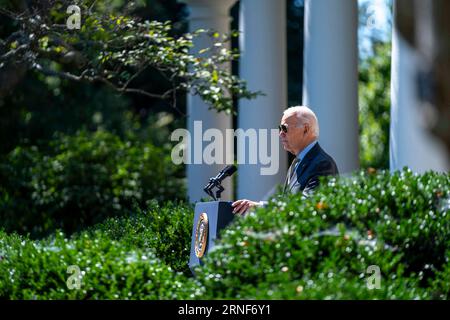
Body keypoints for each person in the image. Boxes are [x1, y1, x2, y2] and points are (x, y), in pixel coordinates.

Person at [232, 106, 339, 215]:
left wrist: (260, 207)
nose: (280, 133)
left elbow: (308, 205)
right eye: (280, 128)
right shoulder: (298, 162)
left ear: (305, 129)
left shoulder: (322, 164)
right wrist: (257, 206)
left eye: (285, 128)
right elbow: (287, 200)